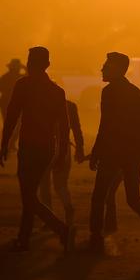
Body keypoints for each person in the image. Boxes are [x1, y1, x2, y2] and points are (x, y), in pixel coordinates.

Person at [88, 52, 140, 258]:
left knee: (98, 196)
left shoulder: (109, 92)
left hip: (113, 153)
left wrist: (96, 152)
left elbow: (105, 125)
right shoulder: (136, 92)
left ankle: (95, 241)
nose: (102, 69)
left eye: (106, 65)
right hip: (132, 153)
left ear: (116, 69)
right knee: (133, 198)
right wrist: (139, 152)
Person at [0, 46, 75, 252]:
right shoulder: (57, 91)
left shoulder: (23, 85)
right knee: (30, 193)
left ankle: (61, 229)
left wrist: (4, 144)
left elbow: (12, 117)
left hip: (29, 147)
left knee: (28, 196)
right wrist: (61, 153)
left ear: (30, 63)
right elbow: (64, 126)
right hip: (47, 149)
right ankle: (24, 238)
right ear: (47, 65)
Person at [38, 99, 85, 226]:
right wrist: (80, 148)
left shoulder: (40, 103)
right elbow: (76, 128)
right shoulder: (70, 105)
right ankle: (68, 208)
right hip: (64, 148)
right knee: (61, 185)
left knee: (44, 185)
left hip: (45, 147)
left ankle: (49, 220)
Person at [0, 58, 25, 152]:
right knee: (15, 124)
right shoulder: (10, 77)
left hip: (11, 103)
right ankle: (8, 144)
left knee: (15, 124)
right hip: (8, 102)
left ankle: (9, 143)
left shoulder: (18, 77)